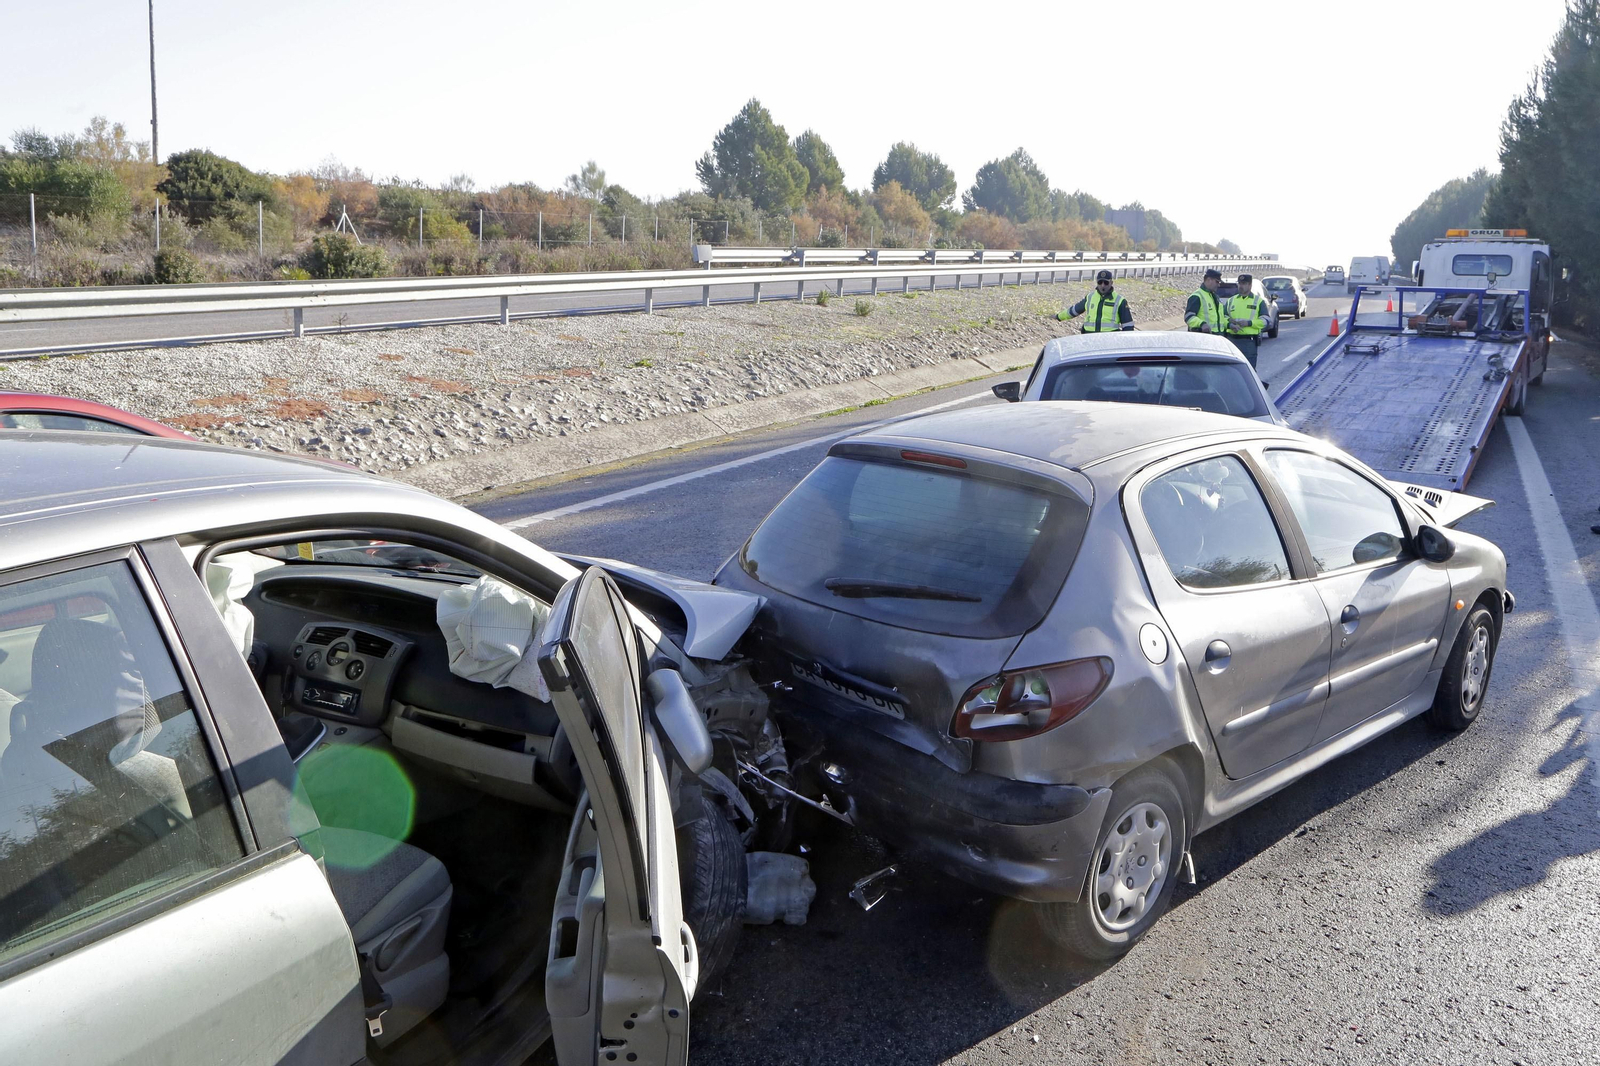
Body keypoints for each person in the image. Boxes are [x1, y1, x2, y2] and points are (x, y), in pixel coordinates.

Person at [1055, 270, 1134, 332]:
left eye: (1106, 283)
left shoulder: (1120, 301)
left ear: (1111, 283)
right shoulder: (1090, 297)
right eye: (1100, 282)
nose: (1102, 285)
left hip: (1109, 339)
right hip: (1089, 337)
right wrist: (1058, 317)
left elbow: (1128, 326)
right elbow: (1074, 310)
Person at [1223, 273, 1269, 368]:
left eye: (1244, 284)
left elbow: (1265, 321)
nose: (1241, 286)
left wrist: (1249, 323)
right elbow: (1222, 317)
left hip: (1249, 342)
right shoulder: (1231, 301)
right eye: (1239, 283)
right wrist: (1230, 325)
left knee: (1249, 370)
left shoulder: (1258, 301)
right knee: (1231, 370)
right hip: (1232, 340)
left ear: (1250, 285)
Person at [1185, 269, 1226, 335]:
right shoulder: (1197, 296)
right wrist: (1202, 324)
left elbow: (1220, 318)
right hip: (1203, 337)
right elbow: (1188, 317)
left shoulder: (1215, 297)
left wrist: (1229, 324)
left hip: (1217, 337)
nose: (1218, 285)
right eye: (1217, 282)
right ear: (1209, 280)